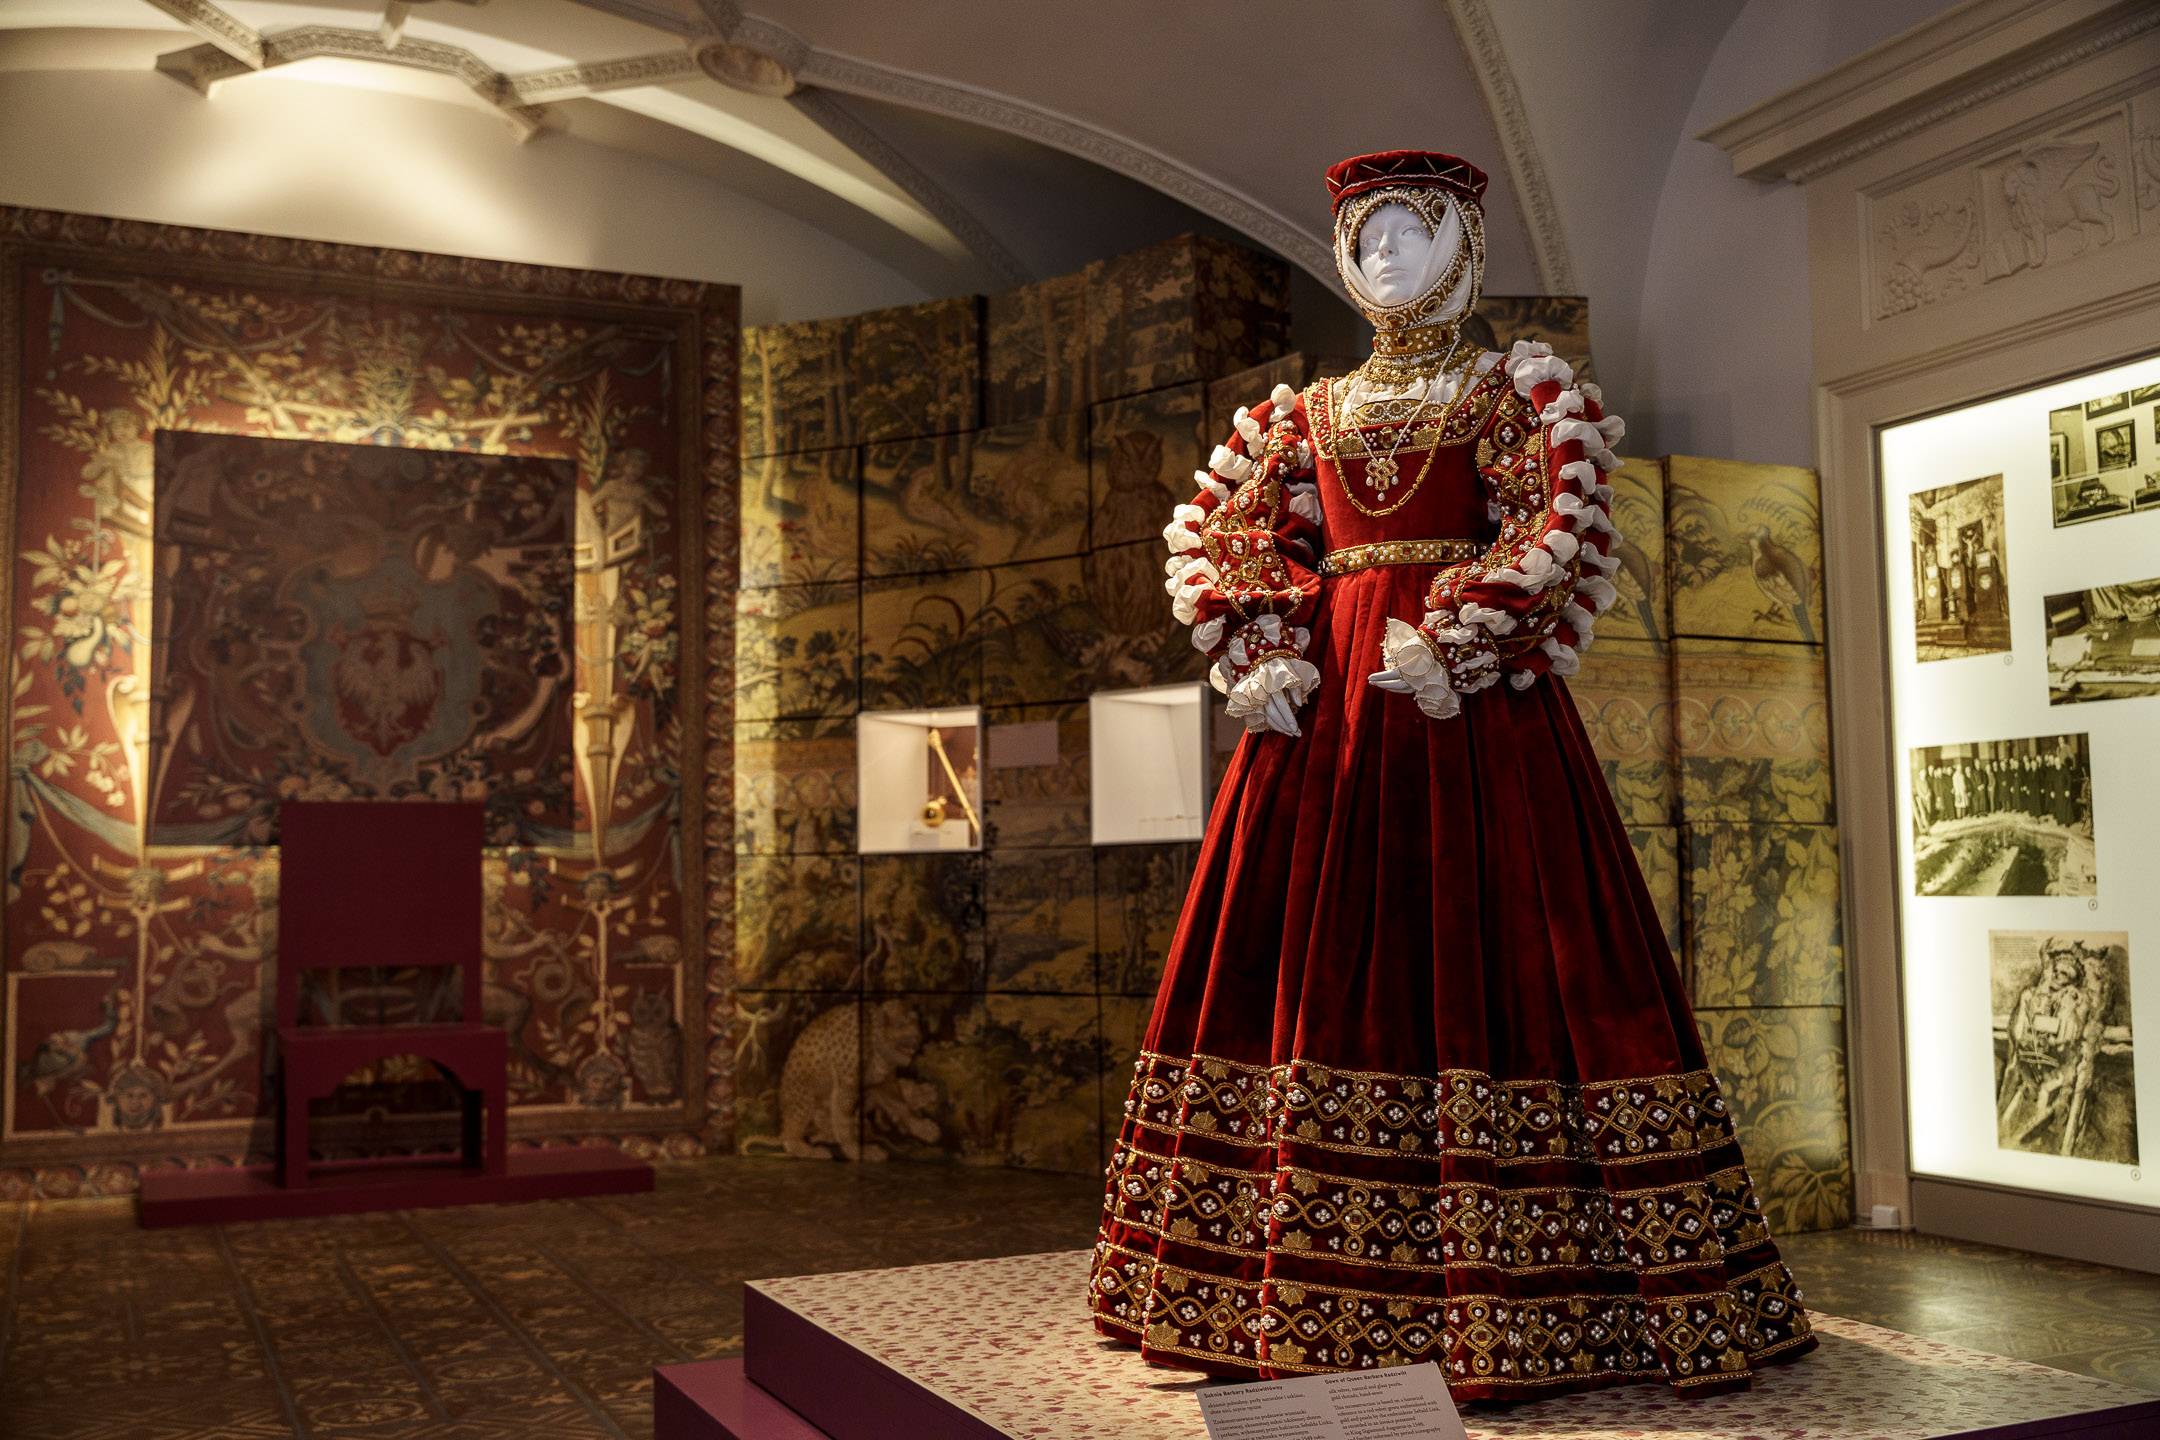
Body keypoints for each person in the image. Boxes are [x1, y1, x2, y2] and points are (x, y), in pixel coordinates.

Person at [1088, 150, 1814, 1401]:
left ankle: (1546, 1288)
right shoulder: (1305, 414)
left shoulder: (1508, 396)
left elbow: (1553, 524)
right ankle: (1266, 1280)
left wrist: (1463, 633)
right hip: (1328, 708)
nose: (1383, 256)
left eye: (1409, 233)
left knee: (1511, 934)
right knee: (1299, 947)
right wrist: (1262, 643)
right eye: (1364, 237)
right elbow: (1234, 527)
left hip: (1464, 707)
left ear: (1465, 247)